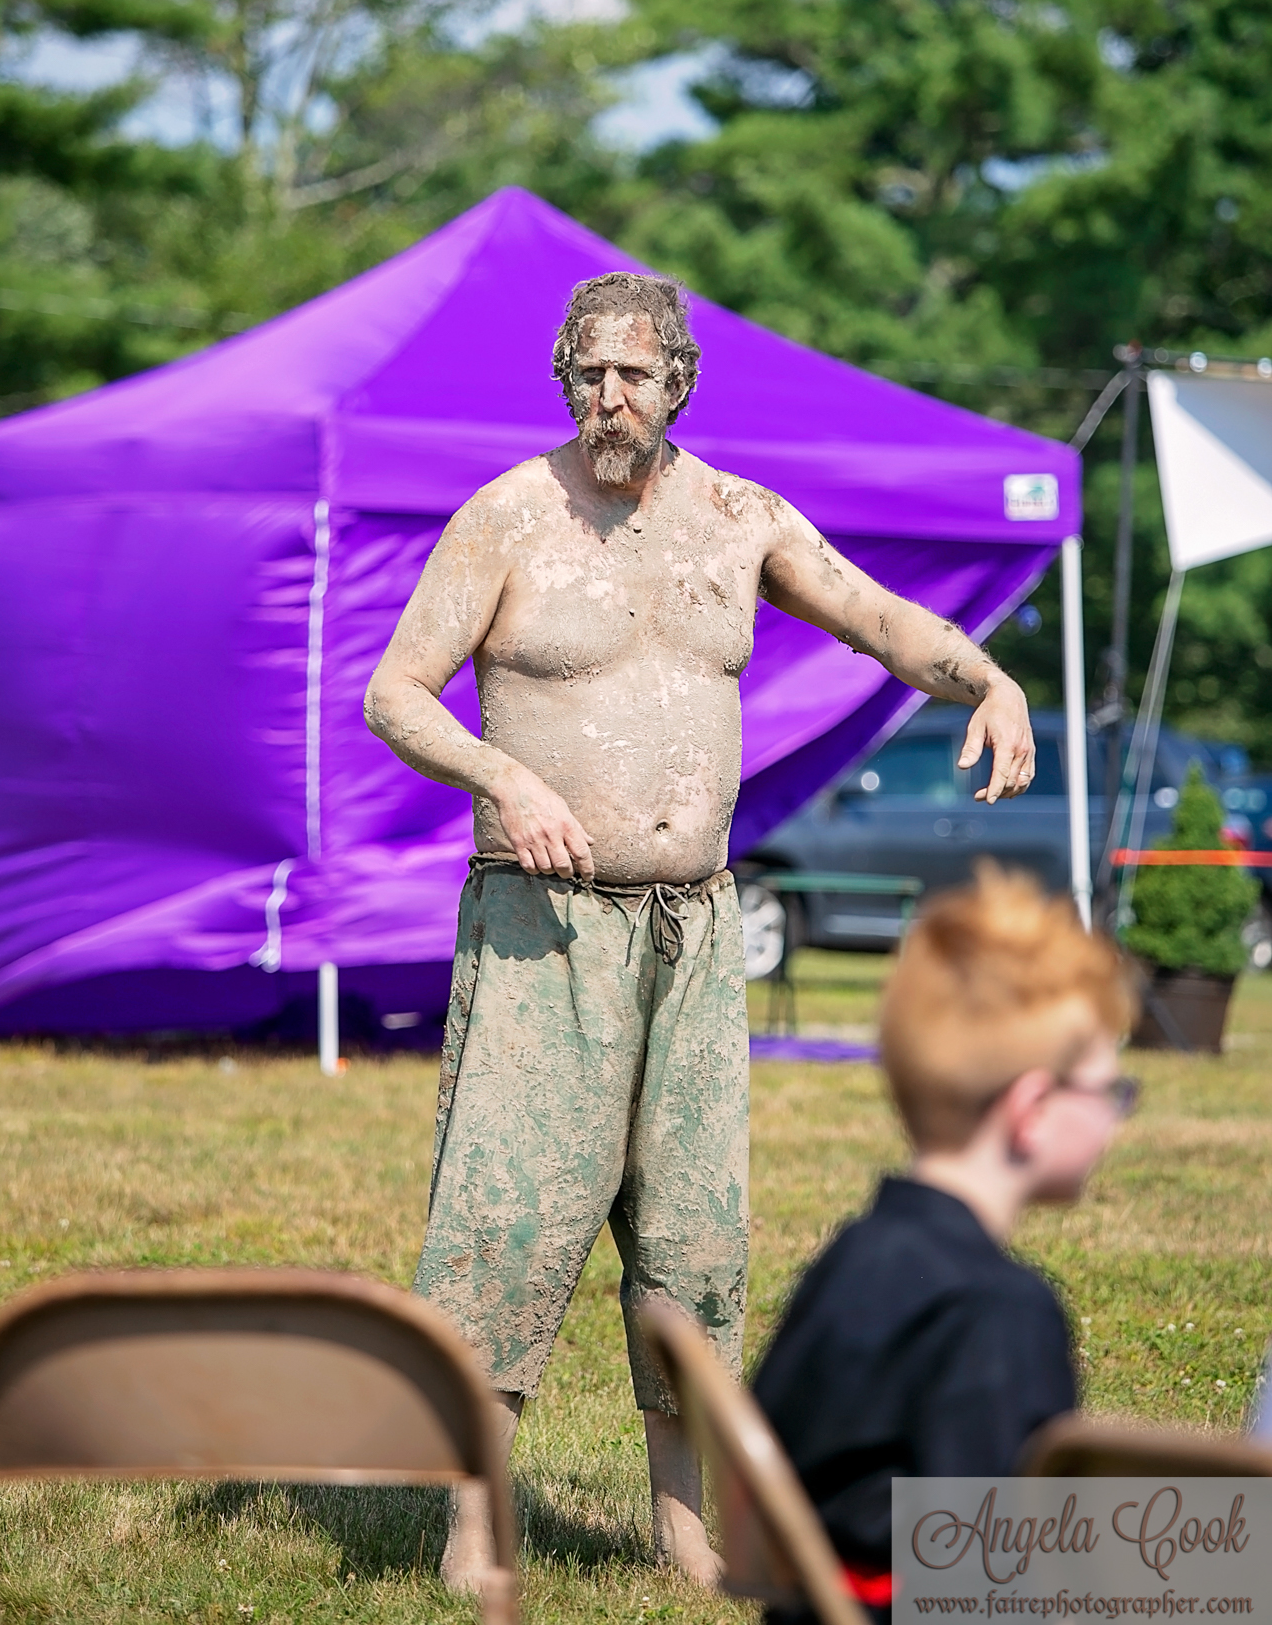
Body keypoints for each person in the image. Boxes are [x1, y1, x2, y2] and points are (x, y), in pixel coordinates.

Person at [363, 270, 1037, 1591]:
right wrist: (505, 778)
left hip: (695, 930)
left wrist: (990, 678)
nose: (610, 397)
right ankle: (471, 1527)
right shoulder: (507, 518)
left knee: (692, 1233)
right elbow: (397, 692)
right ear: (565, 382)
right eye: (588, 374)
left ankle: (683, 1526)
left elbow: (877, 618)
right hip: (545, 929)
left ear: (677, 380)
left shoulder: (741, 521)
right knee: (509, 1221)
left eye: (634, 373)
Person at [753, 863, 1139, 1622]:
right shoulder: (997, 1311)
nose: (1115, 1118)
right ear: (1031, 1109)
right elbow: (995, 1586)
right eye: (1107, 1092)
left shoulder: (850, 1259)